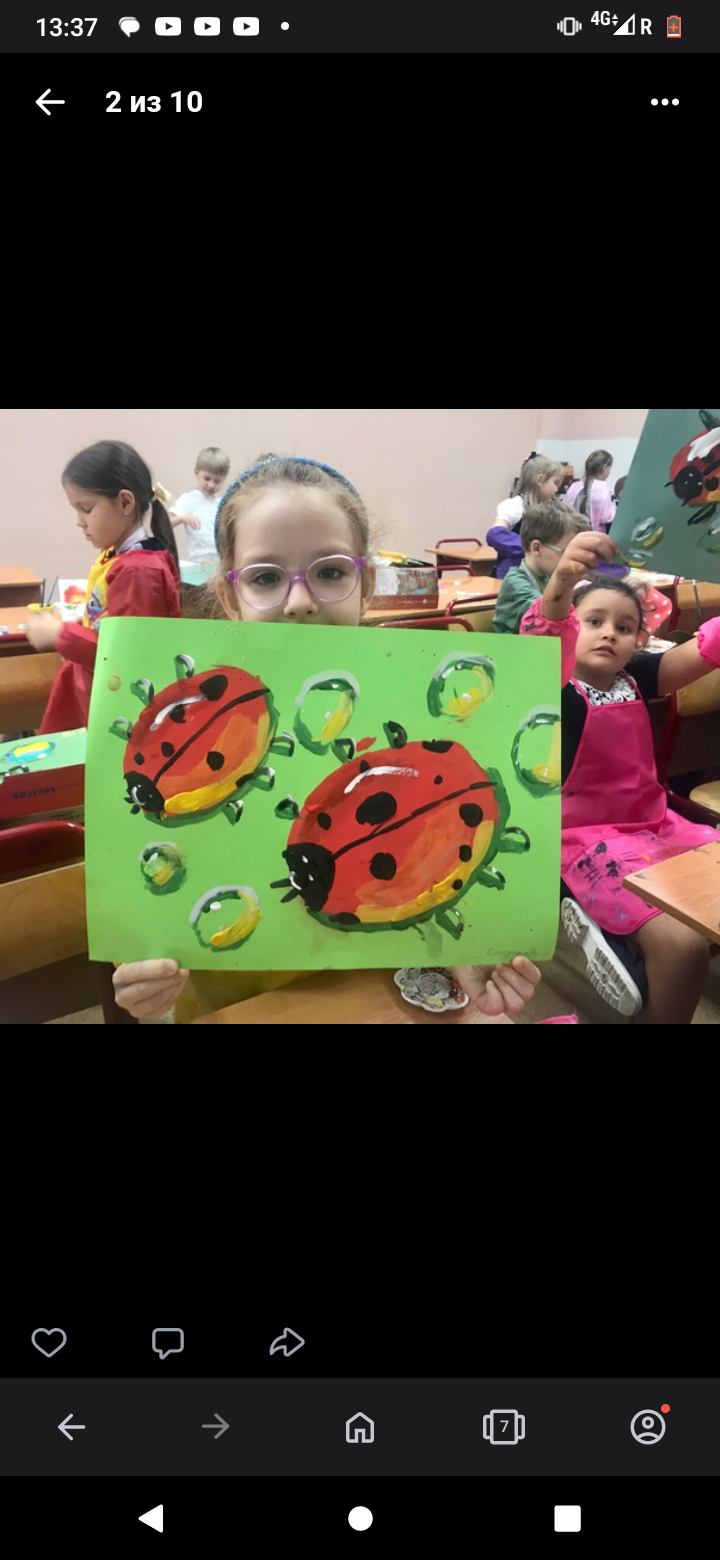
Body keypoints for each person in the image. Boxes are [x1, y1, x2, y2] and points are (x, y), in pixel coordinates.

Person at [111, 454, 542, 1024]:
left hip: (385, 998)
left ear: (367, 583)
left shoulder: (420, 715)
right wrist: (150, 990)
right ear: (230, 595)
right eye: (266, 577)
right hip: (238, 1005)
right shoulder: (184, 712)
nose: (300, 600)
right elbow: (160, 913)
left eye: (331, 572)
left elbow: (425, 869)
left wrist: (469, 950)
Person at [519, 527, 719, 1026]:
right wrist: (563, 579)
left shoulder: (639, 678)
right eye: (594, 621)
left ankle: (627, 948)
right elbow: (544, 634)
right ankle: (615, 932)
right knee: (683, 946)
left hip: (655, 826)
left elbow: (705, 649)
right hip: (582, 839)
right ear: (572, 628)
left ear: (638, 642)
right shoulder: (552, 688)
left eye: (625, 627)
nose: (610, 632)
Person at [23, 441, 180, 733]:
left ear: (125, 503)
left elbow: (127, 656)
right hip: (96, 689)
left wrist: (60, 635)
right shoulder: (120, 557)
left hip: (117, 712)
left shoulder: (139, 571)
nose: (79, 522)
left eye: (86, 509)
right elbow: (107, 624)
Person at [493, 500, 588, 635]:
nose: (574, 561)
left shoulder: (545, 576)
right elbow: (546, 615)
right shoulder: (515, 584)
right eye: (566, 553)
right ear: (537, 548)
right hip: (512, 647)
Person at [487, 455, 565, 579]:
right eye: (555, 483)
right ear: (540, 480)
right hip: (513, 573)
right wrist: (530, 549)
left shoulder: (547, 509)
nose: (556, 489)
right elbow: (495, 534)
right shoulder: (515, 506)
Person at [169, 446, 231, 561]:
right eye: (207, 478)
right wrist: (183, 518)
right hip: (198, 561)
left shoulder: (220, 504)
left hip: (219, 561)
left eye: (217, 481)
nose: (211, 485)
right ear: (196, 472)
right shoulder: (188, 499)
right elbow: (167, 523)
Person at [565, 450, 616, 532]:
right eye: (610, 468)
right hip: (594, 533)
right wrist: (613, 507)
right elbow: (606, 517)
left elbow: (566, 510)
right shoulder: (603, 489)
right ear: (605, 467)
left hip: (574, 532)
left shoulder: (575, 486)